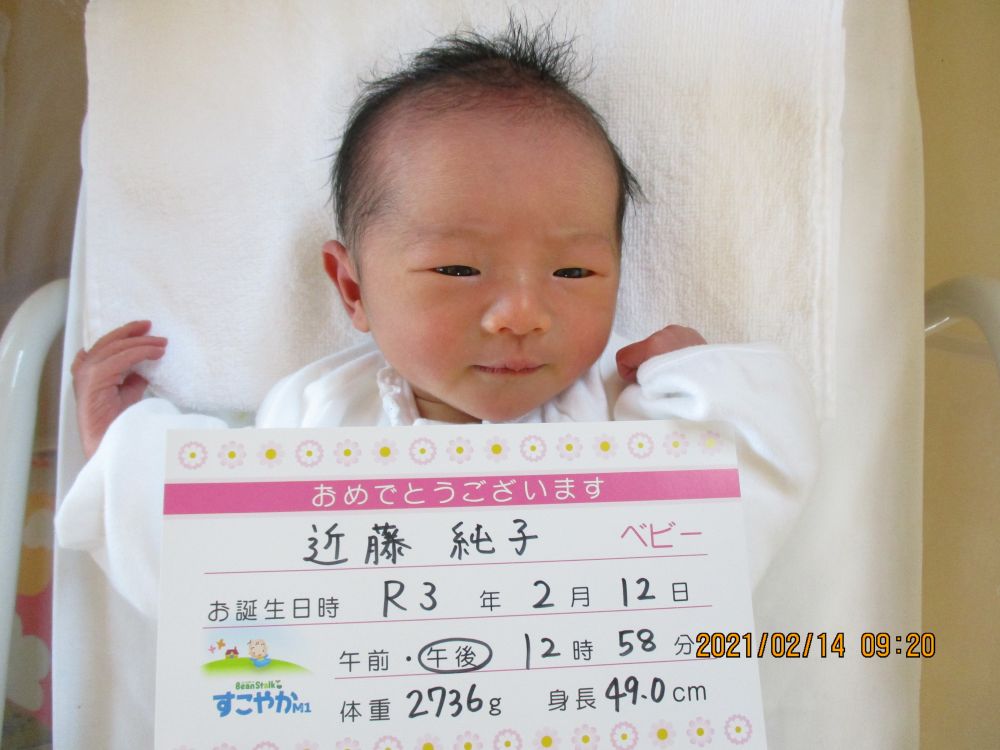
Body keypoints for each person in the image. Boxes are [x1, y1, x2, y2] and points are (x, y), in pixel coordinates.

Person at [60, 20, 817, 618]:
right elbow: (218, 580)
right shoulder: (317, 417)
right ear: (352, 288)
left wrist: (701, 378)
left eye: (574, 272)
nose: (522, 313)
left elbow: (741, 506)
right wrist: (126, 451)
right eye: (457, 269)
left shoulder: (620, 407)